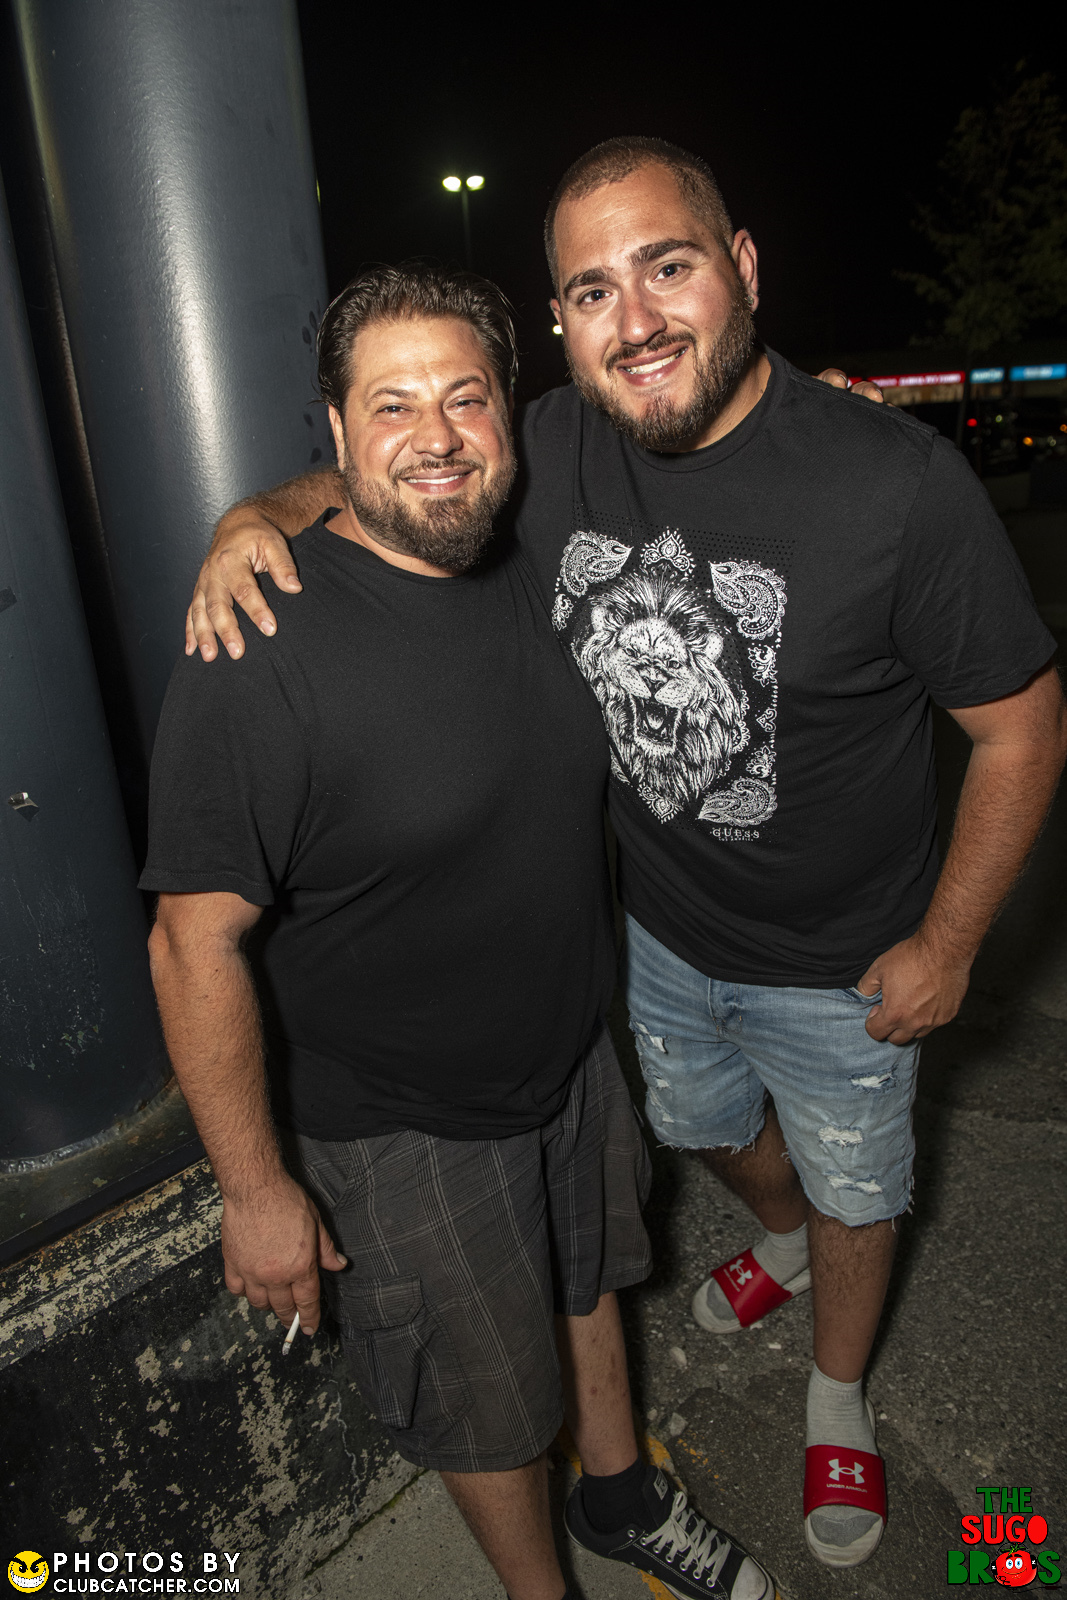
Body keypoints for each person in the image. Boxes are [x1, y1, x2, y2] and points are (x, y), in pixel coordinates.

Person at [184, 139, 1066, 1570]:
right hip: (654, 942)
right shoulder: (551, 446)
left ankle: (837, 1391)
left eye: (670, 266)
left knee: (861, 1189)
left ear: (744, 269)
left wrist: (950, 943)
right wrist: (245, 523)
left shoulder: (897, 486)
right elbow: (396, 467)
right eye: (594, 291)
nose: (638, 319)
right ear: (560, 323)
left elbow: (1024, 729)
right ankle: (781, 1240)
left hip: (850, 968)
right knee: (709, 1137)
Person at [142, 263, 776, 1600]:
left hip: (571, 1059)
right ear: (336, 428)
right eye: (391, 406)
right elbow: (190, 945)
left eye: (464, 398)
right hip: (406, 1126)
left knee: (589, 1284)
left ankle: (622, 1497)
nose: (435, 436)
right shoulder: (259, 646)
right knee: (489, 1403)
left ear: (506, 412)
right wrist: (256, 1191)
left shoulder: (528, 550)